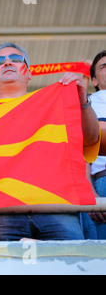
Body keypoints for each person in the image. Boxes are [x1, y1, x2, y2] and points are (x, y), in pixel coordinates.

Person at [0, 42, 100, 241]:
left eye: (15, 59)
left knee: (70, 269)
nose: (7, 63)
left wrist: (83, 101)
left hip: (56, 206)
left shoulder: (54, 105)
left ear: (29, 73)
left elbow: (90, 138)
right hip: (2, 212)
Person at [87, 50, 106, 239]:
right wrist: (90, 192)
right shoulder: (87, 105)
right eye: (104, 66)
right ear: (94, 81)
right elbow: (80, 150)